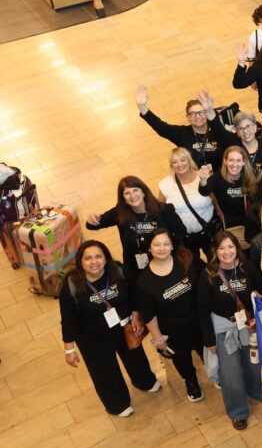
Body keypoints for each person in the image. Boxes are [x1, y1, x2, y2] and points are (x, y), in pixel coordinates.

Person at [60, 241, 159, 417]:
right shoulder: (71, 285)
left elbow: (135, 294)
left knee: (135, 357)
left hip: (124, 327)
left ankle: (145, 381)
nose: (94, 262)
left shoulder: (118, 271)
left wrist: (136, 314)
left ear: (106, 258)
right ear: (80, 261)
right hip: (93, 338)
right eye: (87, 258)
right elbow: (68, 320)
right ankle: (117, 403)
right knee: (104, 371)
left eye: (98, 256)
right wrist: (69, 350)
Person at [196, 231, 262, 429]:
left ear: (237, 248)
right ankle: (238, 411)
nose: (227, 252)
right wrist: (209, 341)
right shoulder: (208, 275)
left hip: (247, 325)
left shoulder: (246, 266)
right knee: (230, 372)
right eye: (221, 247)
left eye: (231, 247)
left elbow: (261, 290)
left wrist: (256, 312)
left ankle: (256, 391)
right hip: (224, 329)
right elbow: (202, 309)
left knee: (253, 363)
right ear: (215, 251)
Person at [135, 229, 205, 402]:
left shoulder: (186, 259)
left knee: (208, 350)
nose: (162, 248)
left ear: (172, 245)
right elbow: (149, 314)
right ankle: (191, 381)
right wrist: (159, 339)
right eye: (157, 244)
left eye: (166, 243)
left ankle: (217, 372)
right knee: (182, 359)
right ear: (149, 248)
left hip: (198, 319)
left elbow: (206, 275)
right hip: (173, 327)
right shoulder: (144, 281)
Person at [86, 176, 187, 282]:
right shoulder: (120, 213)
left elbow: (181, 231)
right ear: (123, 198)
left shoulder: (163, 209)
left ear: (143, 192)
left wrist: (168, 247)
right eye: (127, 193)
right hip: (135, 267)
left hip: (165, 261)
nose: (132, 196)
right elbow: (92, 225)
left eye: (135, 190)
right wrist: (91, 219)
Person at [136, 86, 227, 169]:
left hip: (219, 180)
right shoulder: (182, 133)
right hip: (193, 181)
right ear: (187, 118)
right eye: (192, 114)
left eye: (201, 112)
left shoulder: (218, 131)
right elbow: (161, 127)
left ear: (207, 113)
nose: (198, 116)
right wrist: (142, 107)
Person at [159, 147, 217, 261]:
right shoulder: (165, 184)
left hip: (209, 231)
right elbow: (160, 212)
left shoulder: (204, 177)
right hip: (185, 237)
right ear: (171, 165)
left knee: (216, 263)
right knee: (191, 268)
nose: (179, 164)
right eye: (174, 162)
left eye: (183, 160)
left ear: (189, 160)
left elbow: (216, 201)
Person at [199, 145, 256, 247]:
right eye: (231, 160)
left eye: (238, 160)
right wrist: (203, 180)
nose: (235, 164)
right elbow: (204, 191)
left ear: (243, 162)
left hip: (248, 226)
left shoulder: (248, 177)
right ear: (225, 161)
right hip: (228, 227)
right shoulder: (217, 178)